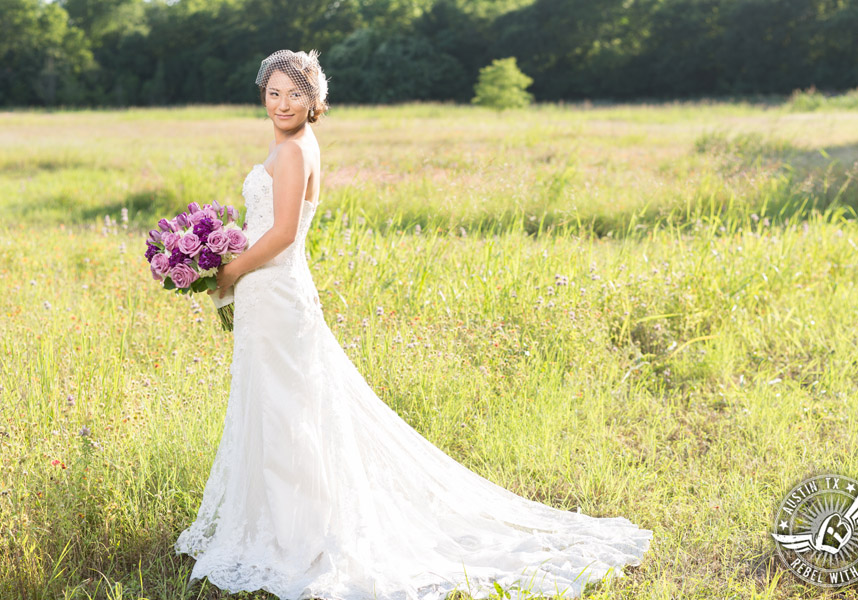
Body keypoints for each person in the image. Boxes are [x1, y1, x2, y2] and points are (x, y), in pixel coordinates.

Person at [175, 49, 652, 600]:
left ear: (315, 101)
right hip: (275, 293)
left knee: (287, 414)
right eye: (274, 92)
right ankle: (285, 524)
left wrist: (226, 272)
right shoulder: (293, 145)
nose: (282, 103)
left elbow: (282, 233)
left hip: (275, 292)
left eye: (295, 94)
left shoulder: (293, 152)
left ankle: (297, 538)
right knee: (284, 409)